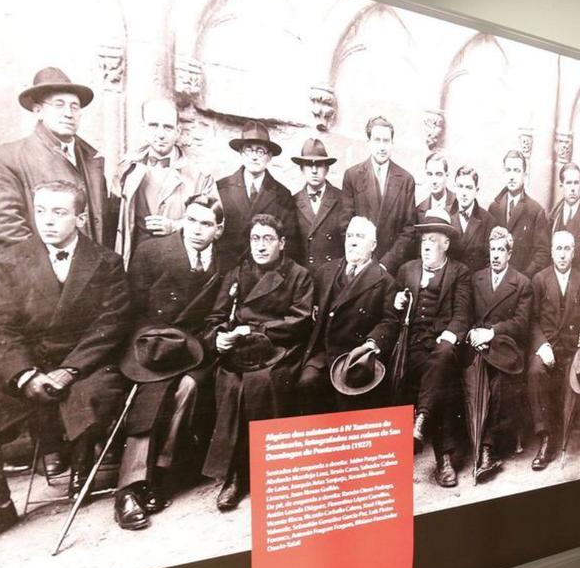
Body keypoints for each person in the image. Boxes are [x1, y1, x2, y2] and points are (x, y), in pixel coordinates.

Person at [0, 180, 131, 555]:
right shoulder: (13, 259)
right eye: (41, 211)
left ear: (81, 216)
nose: (48, 221)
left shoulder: (106, 262)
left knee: (98, 396)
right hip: (28, 366)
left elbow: (111, 325)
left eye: (59, 212)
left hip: (84, 366)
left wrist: (70, 369)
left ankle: (84, 472)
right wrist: (25, 374)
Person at [115, 195, 228, 529]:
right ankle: (130, 489)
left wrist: (211, 338)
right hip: (154, 341)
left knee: (190, 386)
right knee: (154, 392)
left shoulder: (226, 261)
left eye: (206, 224)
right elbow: (131, 308)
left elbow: (219, 313)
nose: (196, 230)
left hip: (197, 347)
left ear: (218, 229)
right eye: (191, 220)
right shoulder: (151, 251)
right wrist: (153, 343)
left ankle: (160, 474)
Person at [201, 214, 313, 511]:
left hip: (280, 349)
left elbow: (300, 321)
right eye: (255, 239)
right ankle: (235, 474)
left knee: (261, 382)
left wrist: (256, 330)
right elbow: (215, 317)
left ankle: (269, 471)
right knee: (231, 382)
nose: (261, 246)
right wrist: (219, 337)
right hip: (240, 351)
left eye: (268, 239)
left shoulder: (297, 274)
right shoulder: (237, 274)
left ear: (282, 243)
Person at [0, 67, 112, 248]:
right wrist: (49, 269)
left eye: (74, 106)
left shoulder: (92, 159)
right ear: (38, 111)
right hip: (42, 272)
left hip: (93, 270)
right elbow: (5, 227)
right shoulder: (9, 158)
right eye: (59, 105)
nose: (69, 113)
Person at [393, 217, 472, 486]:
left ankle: (422, 417)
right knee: (443, 380)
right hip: (414, 347)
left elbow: (462, 313)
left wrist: (450, 334)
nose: (425, 246)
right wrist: (396, 301)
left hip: (443, 344)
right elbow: (390, 307)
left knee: (444, 359)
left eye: (432, 241)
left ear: (446, 244)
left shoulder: (459, 272)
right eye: (423, 241)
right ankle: (444, 460)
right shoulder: (407, 270)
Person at [298, 216, 400, 414]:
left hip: (355, 356)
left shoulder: (385, 281)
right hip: (323, 353)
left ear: (373, 245)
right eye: (350, 236)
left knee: (351, 405)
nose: (352, 241)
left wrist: (371, 344)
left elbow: (389, 321)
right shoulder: (325, 272)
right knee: (306, 384)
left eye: (360, 237)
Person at [466, 226, 534, 479]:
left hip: (507, 347)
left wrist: (491, 333)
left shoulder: (522, 283)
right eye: (492, 250)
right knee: (470, 379)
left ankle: (488, 449)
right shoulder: (477, 279)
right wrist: (474, 334)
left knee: (500, 383)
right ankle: (475, 445)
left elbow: (521, 324)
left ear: (510, 254)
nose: (495, 255)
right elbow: (469, 314)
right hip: (478, 345)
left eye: (500, 250)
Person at [113, 97, 214, 265]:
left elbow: (218, 225)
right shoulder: (126, 168)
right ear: (144, 128)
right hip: (133, 263)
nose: (160, 134)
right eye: (153, 126)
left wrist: (175, 226)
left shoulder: (199, 175)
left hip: (177, 264)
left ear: (178, 131)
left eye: (167, 127)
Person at [530, 231, 580, 470]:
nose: (562, 254)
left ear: (574, 252)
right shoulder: (539, 279)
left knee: (576, 378)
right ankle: (545, 439)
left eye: (567, 249)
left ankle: (566, 436)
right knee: (535, 372)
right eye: (558, 248)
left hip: (570, 348)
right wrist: (542, 345)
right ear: (551, 251)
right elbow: (533, 320)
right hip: (547, 347)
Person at [214, 121, 302, 270]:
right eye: (249, 150)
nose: (254, 157)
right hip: (226, 270)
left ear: (269, 157)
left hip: (265, 273)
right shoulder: (221, 188)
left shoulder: (282, 194)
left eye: (260, 151)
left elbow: (289, 241)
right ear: (241, 153)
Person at [341, 115, 416, 274]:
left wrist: (387, 263)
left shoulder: (406, 179)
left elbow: (409, 229)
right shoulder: (353, 176)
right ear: (368, 142)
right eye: (377, 140)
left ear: (392, 143)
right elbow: (345, 224)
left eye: (386, 141)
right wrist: (361, 260)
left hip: (390, 268)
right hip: (360, 265)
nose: (382, 146)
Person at [487, 150, 550, 278]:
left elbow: (542, 254)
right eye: (508, 170)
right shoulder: (494, 208)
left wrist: (524, 278)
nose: (511, 176)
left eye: (516, 170)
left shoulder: (535, 211)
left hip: (522, 283)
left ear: (525, 175)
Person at [290, 137, 349, 270]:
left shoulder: (342, 199)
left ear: (327, 169)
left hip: (333, 275)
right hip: (304, 277)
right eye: (309, 165)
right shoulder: (292, 201)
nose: (314, 170)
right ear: (302, 169)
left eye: (319, 165)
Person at [547, 162, 580, 285]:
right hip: (555, 286)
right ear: (561, 185)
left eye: (576, 183)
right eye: (569, 183)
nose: (572, 188)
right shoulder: (552, 217)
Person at [446, 165, 493, 273]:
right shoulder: (444, 215)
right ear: (455, 188)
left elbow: (488, 262)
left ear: (476, 190)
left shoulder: (488, 221)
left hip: (474, 284)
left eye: (469, 187)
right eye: (460, 186)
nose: (464, 193)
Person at [416, 151, 453, 217]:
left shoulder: (459, 203)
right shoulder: (418, 211)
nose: (434, 181)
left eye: (438, 174)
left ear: (447, 175)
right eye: (430, 174)